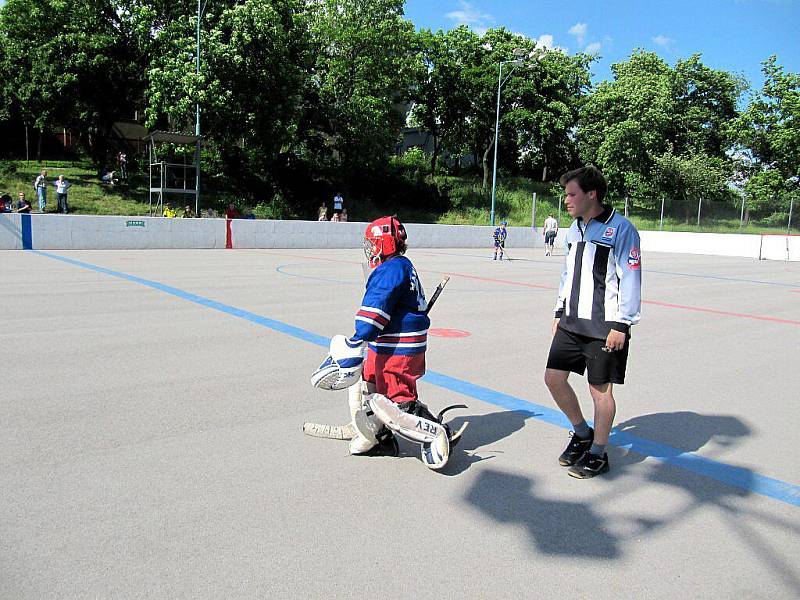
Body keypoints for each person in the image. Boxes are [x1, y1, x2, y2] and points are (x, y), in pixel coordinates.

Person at [310, 216, 465, 470]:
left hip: (398, 346)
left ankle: (438, 433)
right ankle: (379, 438)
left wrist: (360, 334)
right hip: (387, 341)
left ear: (387, 243)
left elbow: (375, 308)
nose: (370, 248)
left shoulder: (391, 269)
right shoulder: (400, 265)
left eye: (374, 242)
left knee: (396, 397)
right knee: (368, 384)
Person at [544, 165, 642, 479]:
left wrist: (622, 324)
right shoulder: (573, 230)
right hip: (571, 321)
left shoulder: (621, 229)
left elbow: (631, 277)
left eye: (572, 194)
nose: (567, 200)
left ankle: (599, 453)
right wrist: (559, 311)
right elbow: (567, 273)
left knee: (599, 391)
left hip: (604, 327)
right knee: (553, 379)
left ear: (592, 194)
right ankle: (582, 433)